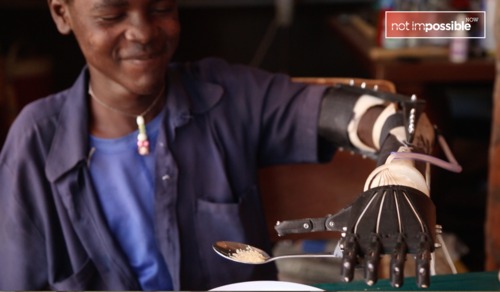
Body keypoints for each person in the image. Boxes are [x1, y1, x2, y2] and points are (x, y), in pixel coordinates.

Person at [0, 0, 453, 290]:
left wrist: (401, 168)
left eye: (160, 6)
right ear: (62, 14)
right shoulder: (35, 143)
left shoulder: (230, 96)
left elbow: (393, 117)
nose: (143, 32)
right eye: (112, 15)